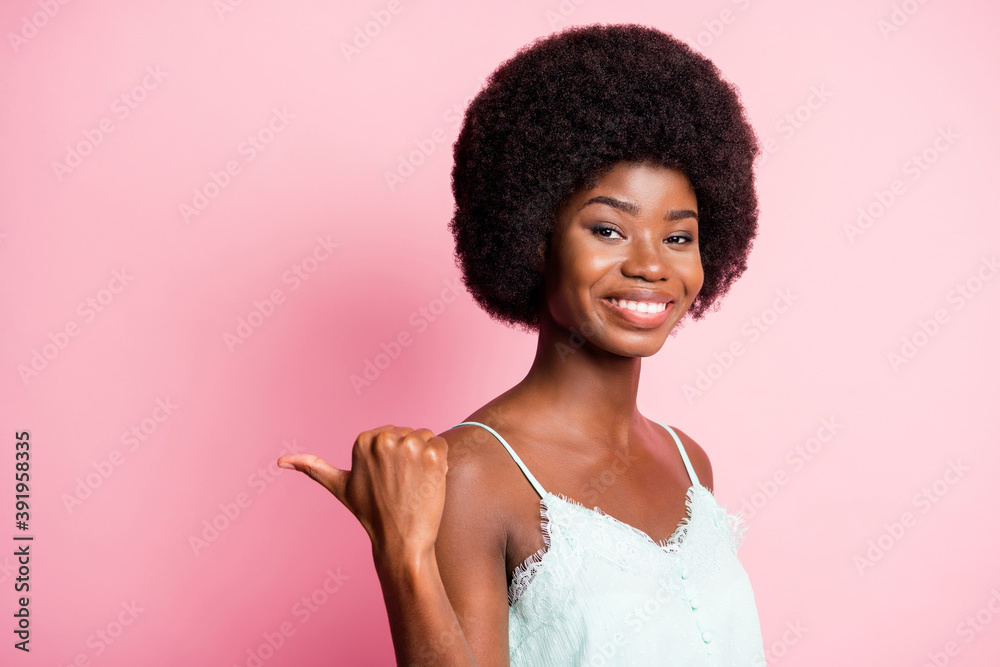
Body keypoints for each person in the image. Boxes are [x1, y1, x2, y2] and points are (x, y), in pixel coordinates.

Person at [279, 23, 766, 666]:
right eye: (608, 230)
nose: (652, 265)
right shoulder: (473, 474)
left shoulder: (689, 462)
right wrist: (403, 555)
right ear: (534, 238)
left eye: (678, 238)